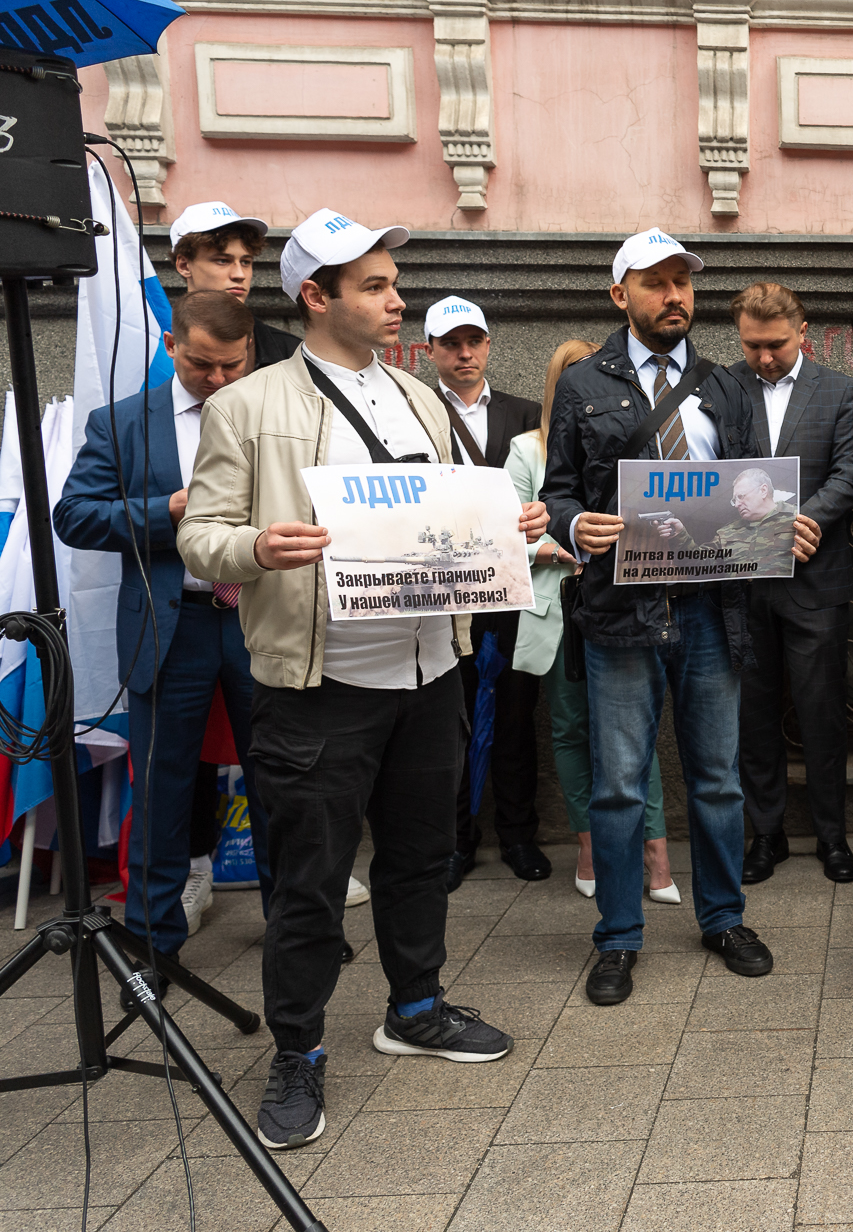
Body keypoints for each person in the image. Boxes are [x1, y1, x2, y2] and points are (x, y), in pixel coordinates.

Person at [179, 208, 545, 1149]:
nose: (396, 301)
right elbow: (200, 535)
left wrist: (511, 528)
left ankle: (414, 1007)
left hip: (430, 673)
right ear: (316, 295)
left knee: (421, 857)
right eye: (375, 286)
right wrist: (257, 546)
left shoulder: (421, 398)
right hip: (319, 686)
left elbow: (454, 517)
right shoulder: (247, 406)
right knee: (308, 882)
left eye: (394, 282)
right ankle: (297, 1050)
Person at [542, 228, 800, 1006]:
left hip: (711, 612)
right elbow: (558, 491)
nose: (674, 295)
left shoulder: (725, 385)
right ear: (620, 295)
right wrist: (573, 524)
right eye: (655, 282)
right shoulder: (583, 384)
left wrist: (780, 523)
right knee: (619, 785)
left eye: (682, 281)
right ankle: (619, 935)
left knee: (718, 779)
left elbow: (753, 490)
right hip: (621, 613)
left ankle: (724, 918)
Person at [55, 289, 273, 974]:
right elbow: (74, 515)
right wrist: (167, 510)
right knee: (161, 788)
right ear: (172, 346)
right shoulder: (122, 422)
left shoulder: (275, 411)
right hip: (171, 625)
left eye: (232, 366)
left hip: (262, 617)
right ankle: (152, 946)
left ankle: (297, 932)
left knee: (280, 783)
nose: (218, 379)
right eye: (202, 364)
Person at [506, 341, 678, 904]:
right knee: (572, 729)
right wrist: (566, 546)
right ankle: (588, 846)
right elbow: (508, 533)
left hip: (622, 605)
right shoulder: (525, 450)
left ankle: (656, 850)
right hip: (558, 607)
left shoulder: (634, 439)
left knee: (635, 732)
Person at [725, 282, 853, 885]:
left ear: (802, 333)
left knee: (822, 714)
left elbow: (850, 471)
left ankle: (832, 836)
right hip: (742, 583)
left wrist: (796, 523)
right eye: (752, 345)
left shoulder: (840, 390)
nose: (764, 357)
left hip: (815, 579)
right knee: (753, 715)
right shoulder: (721, 387)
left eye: (776, 345)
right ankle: (767, 834)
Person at [422, 295, 547, 889]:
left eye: (473, 341)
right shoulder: (416, 413)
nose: (464, 353)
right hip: (444, 592)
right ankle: (455, 841)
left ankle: (519, 836)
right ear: (431, 351)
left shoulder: (527, 414)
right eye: (451, 344)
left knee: (518, 718)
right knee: (450, 721)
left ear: (489, 345)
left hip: (515, 587)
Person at [169, 201, 301, 368]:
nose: (239, 275)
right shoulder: (150, 349)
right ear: (184, 266)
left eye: (245, 262)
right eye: (223, 261)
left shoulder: (290, 353)